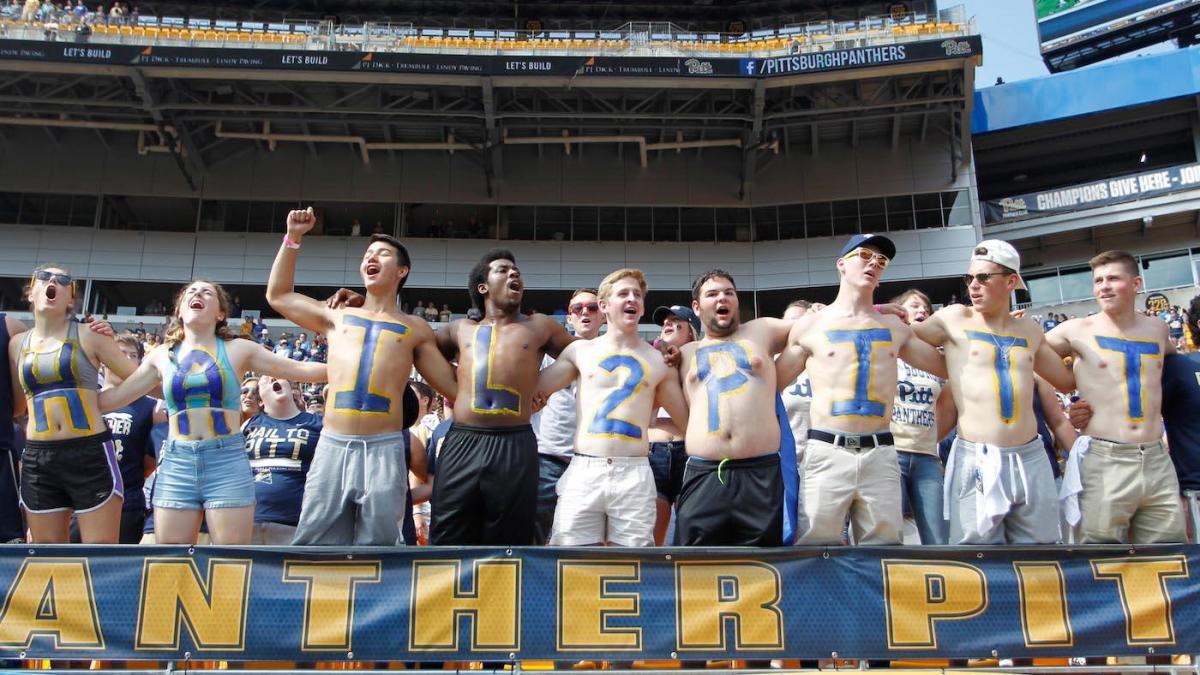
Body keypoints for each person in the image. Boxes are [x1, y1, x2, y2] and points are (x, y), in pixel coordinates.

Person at [267, 207, 455, 546]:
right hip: (333, 443)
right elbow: (278, 296)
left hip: (384, 447)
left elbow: (451, 385)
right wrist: (293, 238)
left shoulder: (415, 328)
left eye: (382, 254)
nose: (371, 257)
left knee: (381, 545)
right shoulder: (337, 316)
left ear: (402, 270)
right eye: (367, 254)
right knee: (316, 541)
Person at [98, 279, 327, 545]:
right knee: (171, 559)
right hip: (177, 461)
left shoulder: (238, 349)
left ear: (220, 314)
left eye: (207, 292)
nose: (198, 294)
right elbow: (114, 398)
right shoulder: (161, 356)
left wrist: (350, 365)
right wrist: (91, 353)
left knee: (230, 559)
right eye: (191, 292)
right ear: (180, 311)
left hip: (226, 461)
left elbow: (300, 370)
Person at [779, 236, 945, 546]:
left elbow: (948, 367)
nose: (873, 263)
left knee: (885, 552)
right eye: (865, 255)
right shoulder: (812, 326)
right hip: (827, 450)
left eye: (881, 261)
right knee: (816, 549)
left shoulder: (895, 327)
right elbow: (771, 383)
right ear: (841, 264)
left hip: (880, 452)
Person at [911, 240, 1075, 545]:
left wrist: (1088, 344)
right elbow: (901, 340)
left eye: (984, 277)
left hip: (1030, 456)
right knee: (979, 557)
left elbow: (1066, 381)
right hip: (977, 455)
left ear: (1011, 281)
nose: (973, 285)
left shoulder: (1029, 330)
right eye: (969, 278)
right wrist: (883, 311)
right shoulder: (954, 318)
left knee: (1040, 556)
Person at [429, 249, 578, 545]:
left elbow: (584, 356)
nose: (514, 274)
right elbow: (417, 348)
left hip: (515, 442)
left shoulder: (540, 326)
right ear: (483, 287)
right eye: (503, 270)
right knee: (448, 533)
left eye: (517, 271)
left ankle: (502, 592)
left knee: (510, 540)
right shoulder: (460, 329)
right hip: (463, 440)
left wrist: (545, 386)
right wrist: (455, 389)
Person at [536, 270, 688, 546]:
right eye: (623, 293)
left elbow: (687, 422)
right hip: (584, 467)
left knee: (633, 565)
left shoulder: (658, 361)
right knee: (572, 562)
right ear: (604, 305)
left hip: (635, 471)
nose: (632, 299)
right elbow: (535, 392)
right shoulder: (580, 352)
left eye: (637, 295)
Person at [1046, 251, 1185, 544]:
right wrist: (1066, 402)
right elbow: (1024, 358)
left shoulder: (1157, 329)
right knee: (1100, 559)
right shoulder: (1076, 330)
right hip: (1105, 458)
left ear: (1136, 283)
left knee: (1169, 556)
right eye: (1098, 281)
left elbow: (1181, 368)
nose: (1103, 287)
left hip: (1157, 458)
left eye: (1112, 279)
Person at [9, 265, 136, 543]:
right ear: (31, 293)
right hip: (38, 456)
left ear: (71, 300)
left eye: (63, 280)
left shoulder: (90, 334)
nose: (52, 280)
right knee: (46, 555)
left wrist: (105, 401)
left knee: (99, 555)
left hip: (88, 450)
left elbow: (141, 379)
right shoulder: (17, 343)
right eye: (43, 277)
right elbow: (19, 408)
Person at [674, 269, 799, 546]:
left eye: (729, 293)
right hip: (704, 472)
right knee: (694, 567)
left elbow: (816, 325)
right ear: (696, 306)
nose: (723, 298)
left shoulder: (762, 330)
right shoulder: (684, 354)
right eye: (713, 294)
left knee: (764, 566)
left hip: (760, 472)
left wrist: (873, 308)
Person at [531, 288, 602, 544]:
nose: (585, 313)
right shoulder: (545, 357)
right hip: (546, 459)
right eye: (577, 308)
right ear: (569, 316)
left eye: (592, 308)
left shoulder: (612, 355)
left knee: (583, 540)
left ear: (603, 314)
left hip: (592, 461)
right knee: (536, 536)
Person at [889, 289, 955, 545]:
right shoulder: (888, 350)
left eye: (926, 308)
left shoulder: (937, 361)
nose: (922, 311)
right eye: (914, 305)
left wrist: (930, 441)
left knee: (936, 538)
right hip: (891, 453)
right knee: (892, 536)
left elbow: (947, 410)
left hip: (927, 458)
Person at [86, 332, 161, 543]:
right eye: (121, 353)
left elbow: (151, 460)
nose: (126, 359)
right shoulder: (88, 400)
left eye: (132, 355)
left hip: (127, 500)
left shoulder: (151, 407)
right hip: (83, 497)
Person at [243, 376, 323, 545]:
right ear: (261, 400)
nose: (272, 379)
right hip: (247, 522)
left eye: (277, 377)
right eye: (266, 381)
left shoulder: (317, 423)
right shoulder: (248, 424)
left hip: (296, 524)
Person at [647, 304, 702, 544]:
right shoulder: (651, 360)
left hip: (689, 452)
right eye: (664, 321)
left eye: (676, 320)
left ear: (691, 330)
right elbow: (646, 417)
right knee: (652, 536)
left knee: (690, 534)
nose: (667, 323)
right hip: (653, 452)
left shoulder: (698, 360)